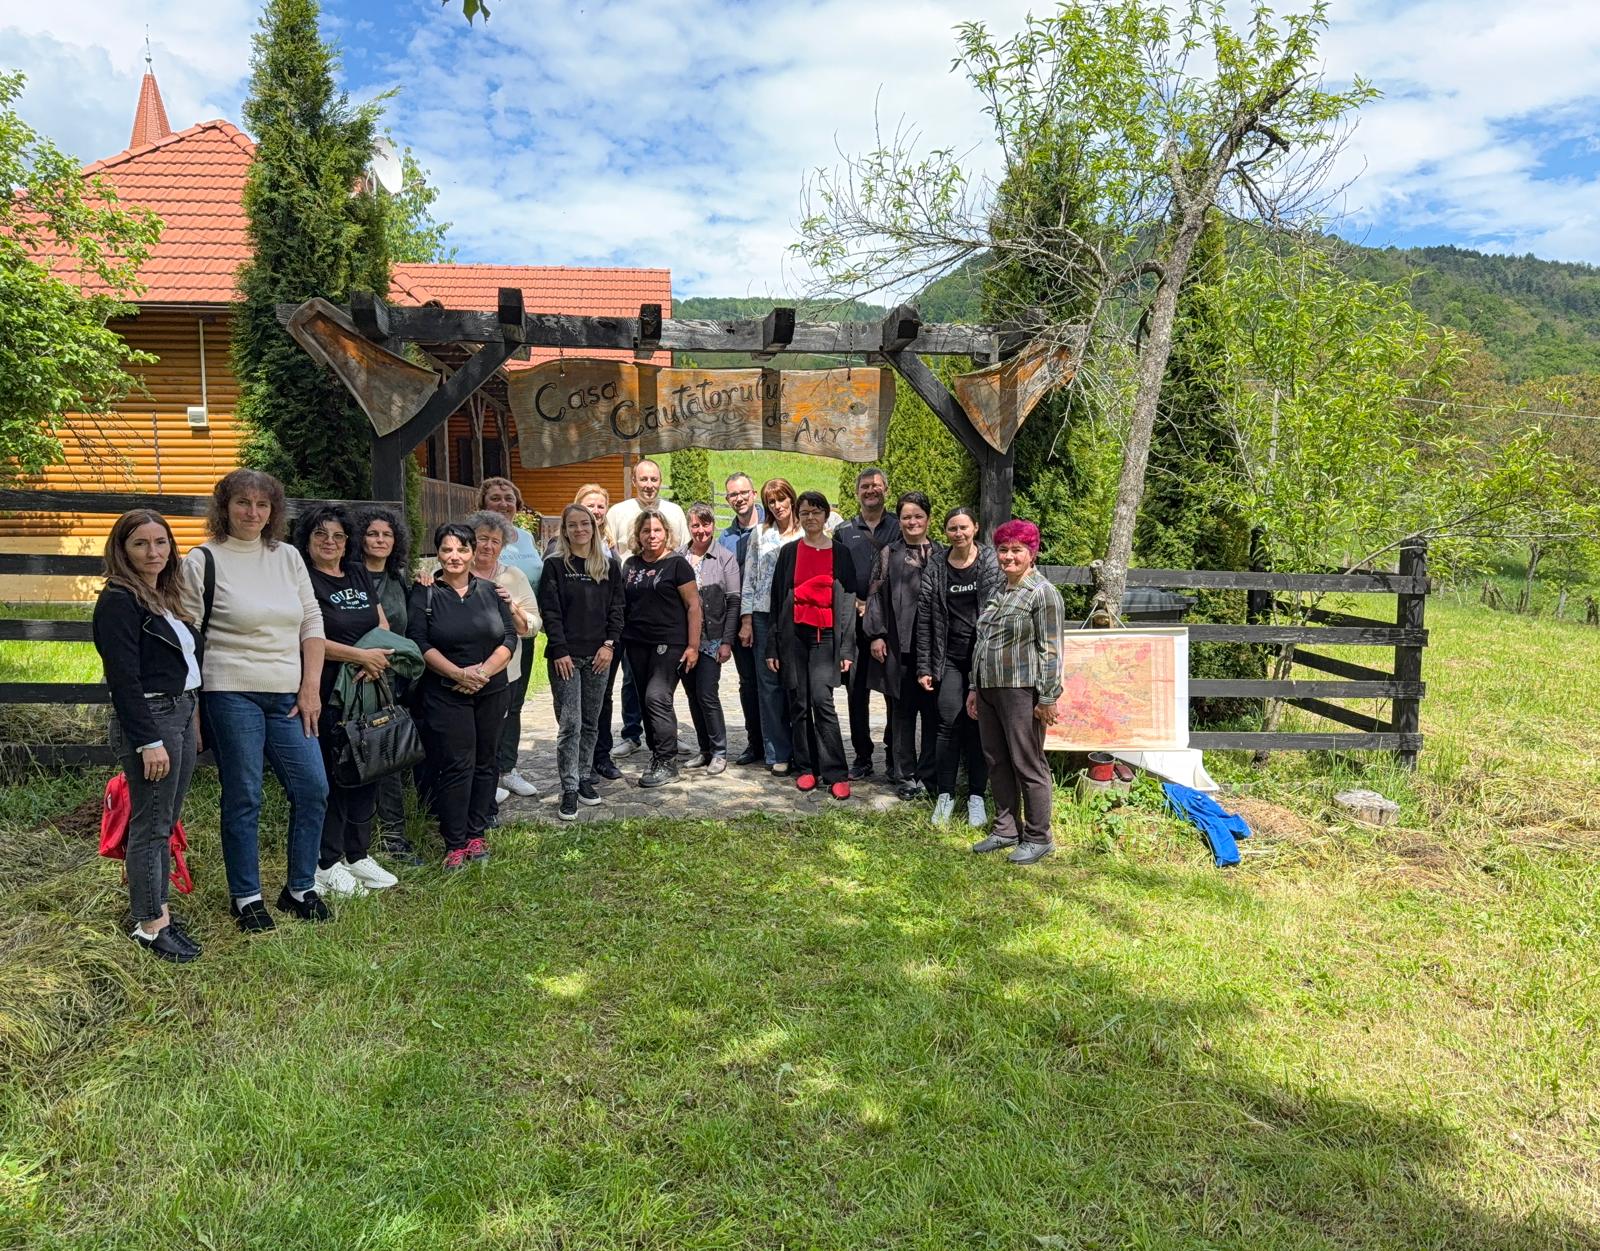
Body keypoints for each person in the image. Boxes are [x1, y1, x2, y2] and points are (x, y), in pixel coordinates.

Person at [181, 470, 329, 930]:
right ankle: (246, 897)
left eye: (262, 504)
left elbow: (312, 622)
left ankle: (299, 888)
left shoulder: (287, 556)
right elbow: (187, 637)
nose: (252, 512)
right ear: (224, 507)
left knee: (313, 788)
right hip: (230, 692)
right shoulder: (203, 560)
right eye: (242, 503)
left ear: (273, 511)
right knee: (244, 794)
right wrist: (193, 708)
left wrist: (310, 687)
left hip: (288, 694)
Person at [93, 510, 203, 962]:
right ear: (123, 549)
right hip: (152, 720)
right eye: (140, 543)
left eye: (161, 542)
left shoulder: (163, 596)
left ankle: (160, 909)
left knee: (165, 820)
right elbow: (123, 679)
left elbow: (184, 666)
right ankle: (150, 924)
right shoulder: (119, 601)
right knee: (151, 824)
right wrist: (147, 741)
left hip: (180, 711)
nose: (153, 552)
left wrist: (193, 719)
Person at [294, 505, 400, 898]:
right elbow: (307, 636)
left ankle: (357, 854)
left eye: (338, 536)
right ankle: (326, 861)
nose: (330, 542)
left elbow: (381, 623)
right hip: (325, 690)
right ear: (307, 540)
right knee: (334, 774)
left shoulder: (356, 572)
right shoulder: (304, 579)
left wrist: (374, 659)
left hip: (366, 687)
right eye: (320, 534)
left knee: (366, 769)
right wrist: (360, 656)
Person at [407, 523, 518, 870]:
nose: (454, 556)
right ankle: (454, 842)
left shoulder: (491, 591)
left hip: (491, 689)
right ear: (438, 553)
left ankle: (476, 834)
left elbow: (510, 637)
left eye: (462, 549)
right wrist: (457, 674)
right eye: (447, 549)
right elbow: (419, 641)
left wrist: (482, 673)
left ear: (472, 553)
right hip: (445, 692)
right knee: (457, 764)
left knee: (487, 762)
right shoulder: (425, 593)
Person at [967, 519, 1066, 865]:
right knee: (996, 759)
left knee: (1027, 762)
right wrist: (974, 687)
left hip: (1021, 690)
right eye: (1003, 549)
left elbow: (1052, 649)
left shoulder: (1042, 593)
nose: (1008, 556)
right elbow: (983, 641)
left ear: (1031, 553)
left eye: (1017, 550)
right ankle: (1006, 829)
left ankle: (1039, 837)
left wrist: (1048, 697)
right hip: (989, 687)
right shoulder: (1000, 591)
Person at [765, 490, 858, 801]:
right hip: (794, 637)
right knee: (800, 703)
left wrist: (846, 649)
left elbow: (847, 602)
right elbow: (777, 600)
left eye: (816, 511)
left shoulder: (840, 553)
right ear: (798, 515)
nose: (811, 517)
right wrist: (772, 646)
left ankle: (836, 772)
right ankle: (806, 768)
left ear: (826, 515)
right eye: (804, 512)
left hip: (826, 638)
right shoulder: (789, 552)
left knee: (822, 701)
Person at [917, 506, 1002, 828]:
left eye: (964, 527)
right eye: (952, 528)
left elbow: (997, 613)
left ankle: (977, 796)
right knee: (948, 722)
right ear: (946, 532)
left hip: (982, 657)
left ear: (975, 528)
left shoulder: (990, 562)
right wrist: (924, 665)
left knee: (979, 724)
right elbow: (925, 618)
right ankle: (945, 794)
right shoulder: (937, 564)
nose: (958, 533)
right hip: (948, 658)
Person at [538, 504, 624, 820]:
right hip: (566, 657)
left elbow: (617, 608)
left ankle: (584, 776)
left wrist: (609, 644)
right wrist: (559, 649)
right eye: (572, 525)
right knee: (570, 723)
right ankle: (569, 788)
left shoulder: (609, 565)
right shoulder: (555, 565)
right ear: (564, 529)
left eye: (585, 523)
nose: (580, 530)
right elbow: (550, 612)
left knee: (591, 721)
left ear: (593, 527)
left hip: (599, 655)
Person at [352, 505, 420, 862]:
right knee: (364, 754)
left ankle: (393, 834)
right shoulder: (350, 576)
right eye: (373, 534)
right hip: (357, 677)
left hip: (394, 677)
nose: (380, 540)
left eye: (387, 535)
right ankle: (360, 838)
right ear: (361, 539)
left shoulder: (398, 579)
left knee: (391, 756)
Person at [460, 510, 541, 804]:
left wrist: (513, 607)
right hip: (463, 668)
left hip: (506, 667)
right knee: (470, 727)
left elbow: (533, 625)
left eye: (495, 541)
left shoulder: (513, 576)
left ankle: (505, 771)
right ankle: (479, 780)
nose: (488, 546)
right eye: (482, 538)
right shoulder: (456, 571)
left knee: (507, 718)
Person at [606, 459, 686, 760]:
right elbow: (611, 552)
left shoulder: (674, 512)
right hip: (632, 607)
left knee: (663, 683)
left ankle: (667, 733)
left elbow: (682, 553)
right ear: (634, 482)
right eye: (644, 479)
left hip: (665, 607)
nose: (649, 485)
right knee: (632, 678)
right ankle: (632, 733)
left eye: (654, 479)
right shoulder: (618, 512)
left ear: (660, 481)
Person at [865, 491, 940, 802]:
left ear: (928, 519)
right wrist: (876, 634)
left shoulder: (940, 554)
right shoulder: (888, 553)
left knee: (933, 715)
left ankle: (930, 774)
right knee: (902, 714)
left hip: (933, 649)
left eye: (918, 516)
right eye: (906, 517)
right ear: (900, 520)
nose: (912, 522)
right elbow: (874, 594)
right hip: (899, 647)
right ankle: (905, 775)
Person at [620, 509, 703, 788]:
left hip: (670, 642)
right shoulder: (630, 564)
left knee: (657, 697)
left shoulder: (677, 565)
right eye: (646, 531)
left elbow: (693, 606)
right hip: (636, 643)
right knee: (645, 700)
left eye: (657, 530)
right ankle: (657, 753)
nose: (652, 535)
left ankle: (667, 761)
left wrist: (693, 645)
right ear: (638, 535)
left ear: (666, 533)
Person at [478, 478, 544, 801]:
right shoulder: (471, 534)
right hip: (483, 633)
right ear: (482, 503)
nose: (503, 504)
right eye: (495, 498)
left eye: (509, 499)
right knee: (486, 708)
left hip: (521, 626)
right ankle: (485, 772)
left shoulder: (526, 537)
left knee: (513, 704)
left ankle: (507, 768)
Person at [834, 467, 900, 780]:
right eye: (864, 486)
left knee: (892, 692)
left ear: (886, 489)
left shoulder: (899, 527)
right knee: (856, 693)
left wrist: (876, 608)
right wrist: (856, 604)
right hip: (854, 624)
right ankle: (862, 755)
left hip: (889, 625)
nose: (870, 490)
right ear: (857, 492)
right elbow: (837, 577)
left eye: (876, 485)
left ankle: (893, 753)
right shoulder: (844, 531)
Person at [738, 478, 802, 776]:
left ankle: (803, 749)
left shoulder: (806, 531)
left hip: (797, 615)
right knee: (769, 685)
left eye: (781, 499)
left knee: (798, 683)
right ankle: (778, 751)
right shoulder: (760, 533)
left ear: (792, 498)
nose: (777, 506)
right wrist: (746, 619)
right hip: (764, 614)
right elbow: (750, 577)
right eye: (771, 502)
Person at [680, 502, 741, 775]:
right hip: (684, 640)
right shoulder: (679, 556)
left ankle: (719, 751)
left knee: (707, 693)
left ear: (713, 525)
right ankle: (704, 749)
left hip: (712, 639)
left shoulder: (725, 557)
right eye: (695, 525)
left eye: (706, 524)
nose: (701, 530)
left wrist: (727, 641)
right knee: (692, 695)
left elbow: (734, 601)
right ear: (689, 526)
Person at [717, 472, 765, 765]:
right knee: (748, 683)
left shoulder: (771, 525)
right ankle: (755, 742)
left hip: (769, 618)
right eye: (733, 495)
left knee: (773, 681)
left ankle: (779, 742)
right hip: (738, 621)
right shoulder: (725, 538)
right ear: (727, 499)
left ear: (754, 494)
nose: (739, 498)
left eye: (743, 492)